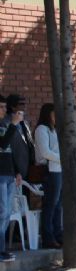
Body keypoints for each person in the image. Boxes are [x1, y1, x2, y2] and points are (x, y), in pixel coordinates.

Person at [34, 103, 63, 248]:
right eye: (54, 114)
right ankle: (48, 236)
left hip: (58, 170)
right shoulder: (41, 129)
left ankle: (58, 234)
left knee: (58, 206)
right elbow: (45, 152)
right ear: (48, 114)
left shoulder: (55, 130)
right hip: (50, 171)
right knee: (50, 204)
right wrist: (62, 158)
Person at [0, 96, 22, 261]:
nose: (3, 110)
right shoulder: (9, 125)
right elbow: (2, 143)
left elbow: (9, 149)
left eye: (3, 107)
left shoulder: (4, 124)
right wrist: (14, 125)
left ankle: (3, 249)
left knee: (7, 213)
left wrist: (17, 171)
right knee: (2, 211)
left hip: (8, 173)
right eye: (0, 107)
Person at [3, 94, 34, 181]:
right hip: (13, 167)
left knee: (26, 194)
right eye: (21, 104)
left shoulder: (25, 122)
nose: (25, 106)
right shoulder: (5, 123)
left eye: (25, 104)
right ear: (13, 107)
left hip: (27, 165)